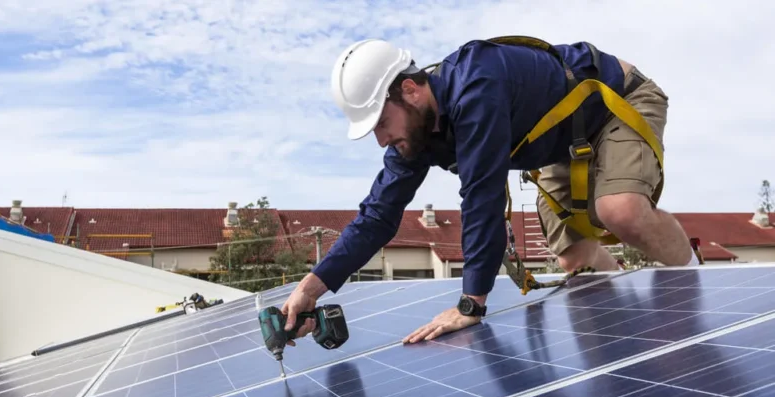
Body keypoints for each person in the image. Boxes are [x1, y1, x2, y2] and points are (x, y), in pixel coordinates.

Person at [279, 36, 699, 346]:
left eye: (381, 124)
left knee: (619, 210)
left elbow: (482, 198)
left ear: (409, 91)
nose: (381, 140)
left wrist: (471, 303)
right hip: (559, 144)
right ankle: (627, 335)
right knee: (576, 255)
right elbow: (377, 217)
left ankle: (701, 287)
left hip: (613, 103)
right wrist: (309, 289)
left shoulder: (476, 85)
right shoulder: (416, 133)